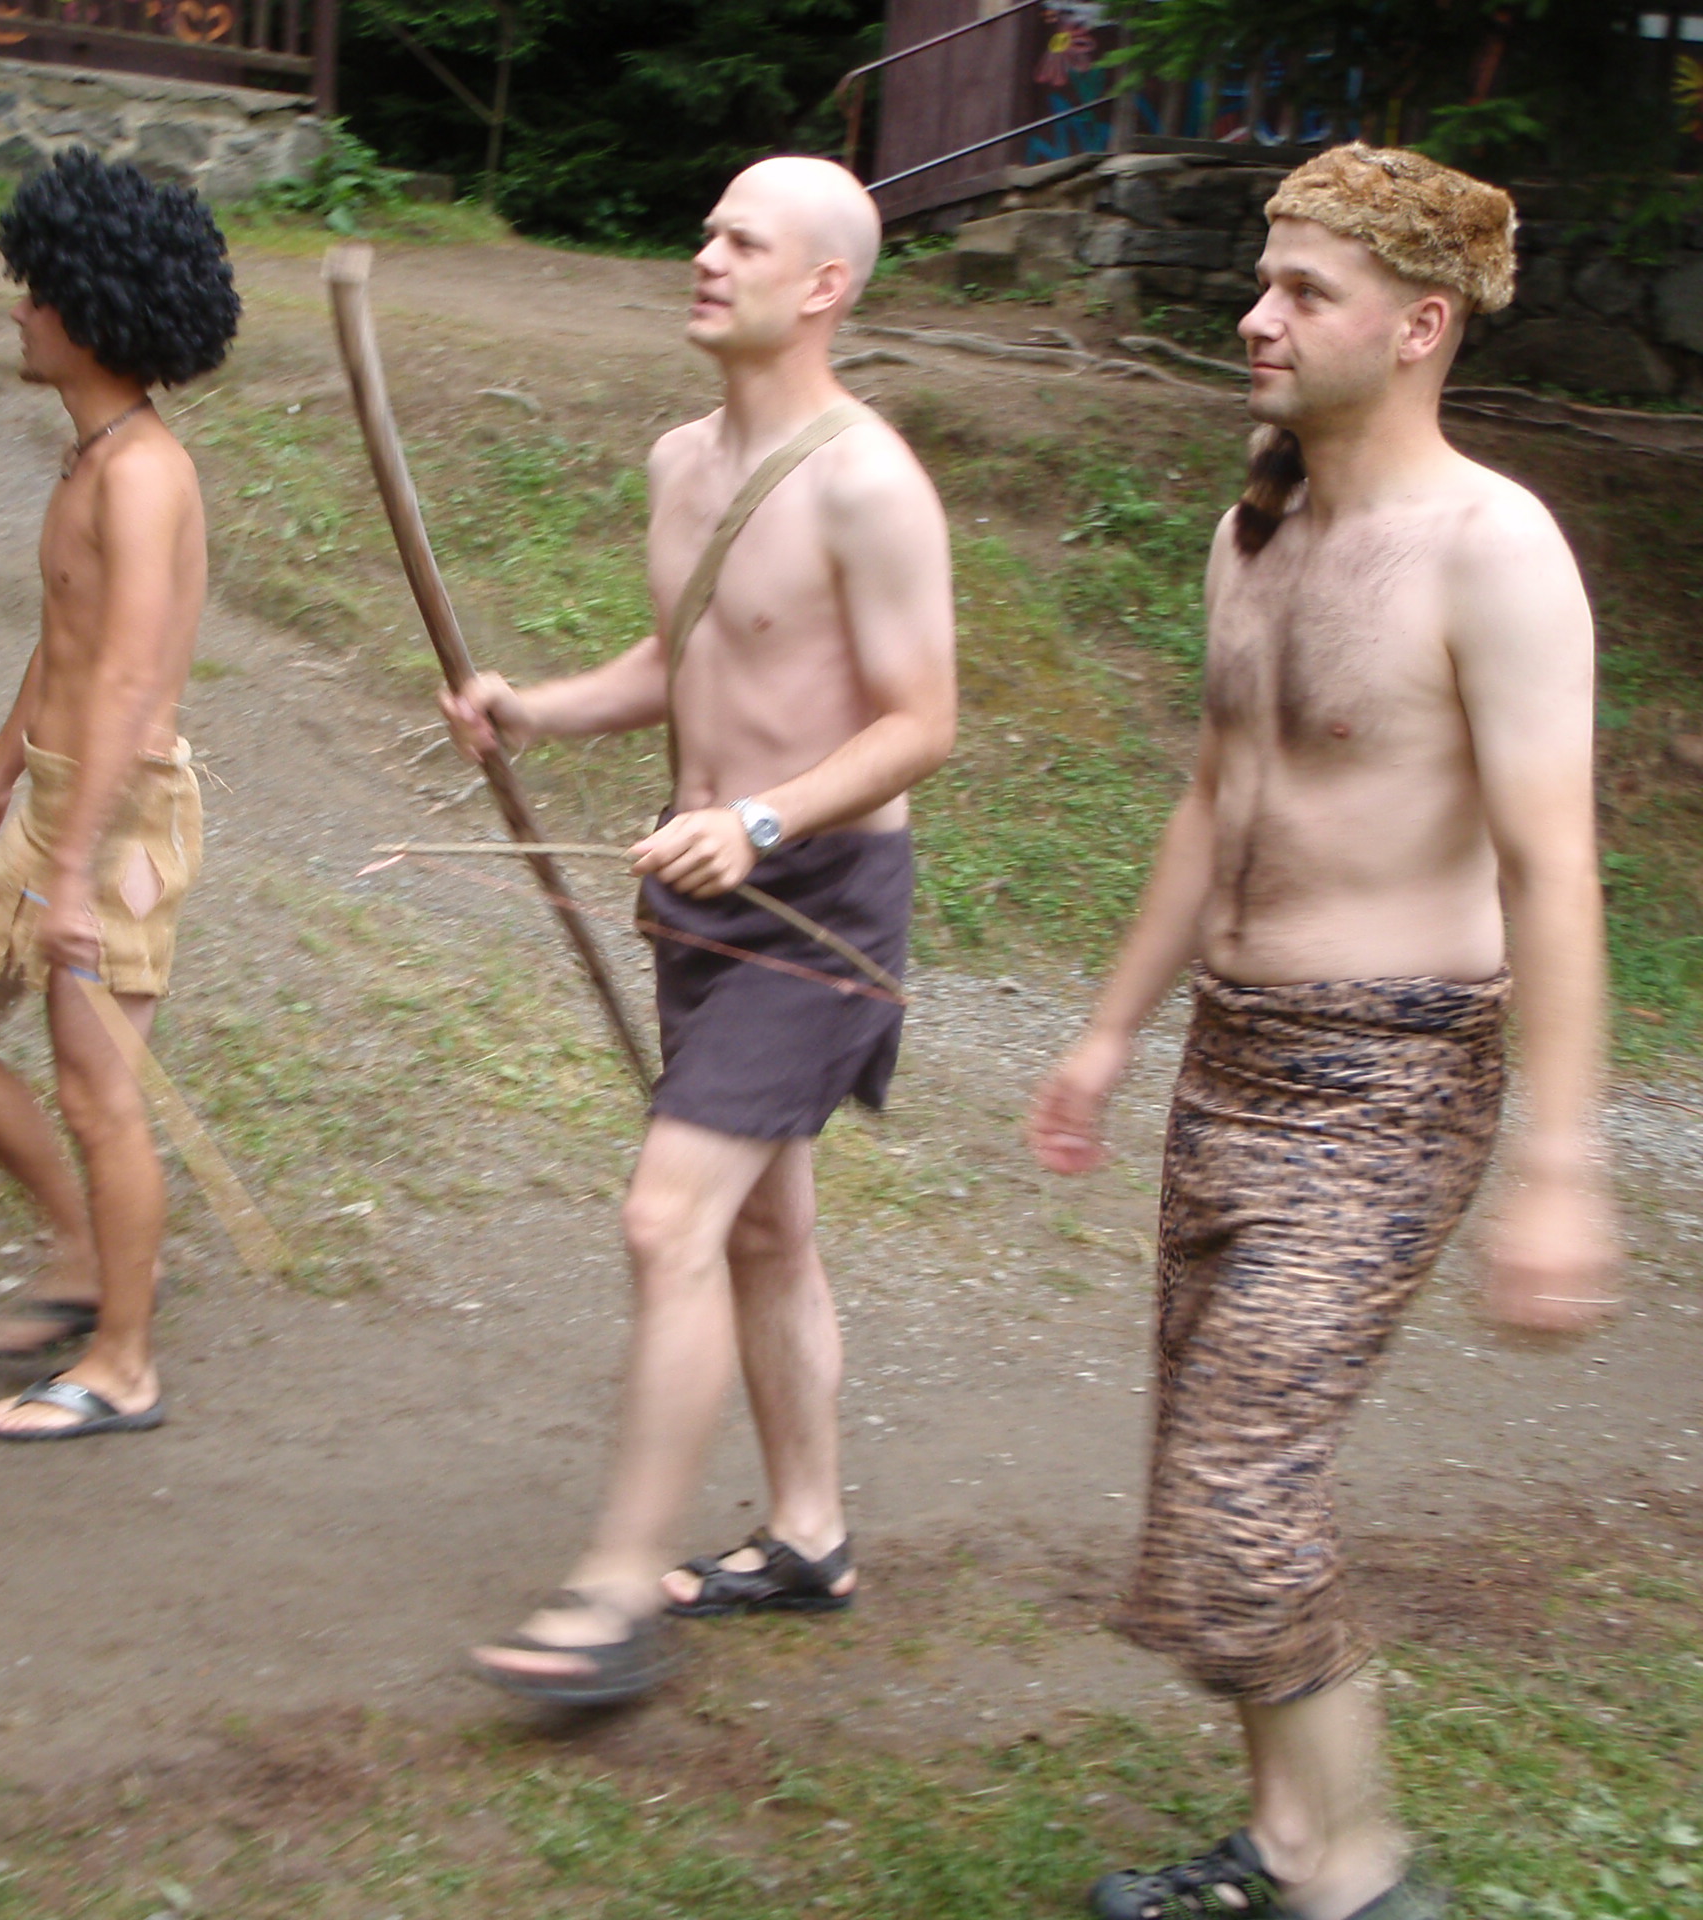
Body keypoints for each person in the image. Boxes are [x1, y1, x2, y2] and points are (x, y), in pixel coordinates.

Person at [1026, 145, 1620, 1920]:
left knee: (1239, 1487)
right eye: (1263, 278)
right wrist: (1109, 1034)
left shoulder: (1494, 550)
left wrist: (1563, 1165)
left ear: (1420, 326)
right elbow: (1217, 798)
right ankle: (1290, 1840)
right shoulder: (1257, 530)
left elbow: (1555, 869)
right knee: (1209, 1466)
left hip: (1392, 1073)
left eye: (1305, 291)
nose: (1255, 315)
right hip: (1231, 1056)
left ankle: (1362, 1877)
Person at [441, 156, 957, 1704]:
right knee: (761, 1224)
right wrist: (534, 708)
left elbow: (922, 723)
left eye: (745, 238)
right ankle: (809, 1537)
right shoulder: (681, 462)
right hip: (698, 894)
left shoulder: (869, 482)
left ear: (825, 286)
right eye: (708, 227)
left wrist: (764, 822)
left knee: (669, 1220)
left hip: (818, 902)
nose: (706, 252)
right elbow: (687, 661)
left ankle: (615, 1592)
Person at [0, 149, 240, 1441]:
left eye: (35, 290)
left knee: (101, 1093)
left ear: (89, 310)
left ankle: (123, 1365)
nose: (18, 309)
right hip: (56, 798)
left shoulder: (144, 472)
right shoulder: (90, 458)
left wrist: (74, 876)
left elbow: (133, 683)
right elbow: (66, 646)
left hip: (117, 817)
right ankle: (80, 1245)